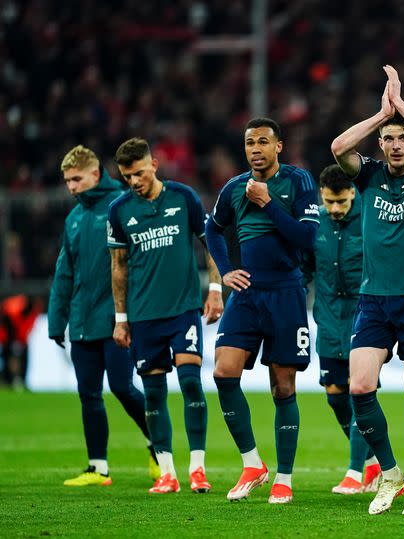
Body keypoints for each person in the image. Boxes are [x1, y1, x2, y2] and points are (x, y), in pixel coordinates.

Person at [330, 65, 404, 516]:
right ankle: (391, 473)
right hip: (374, 300)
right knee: (359, 386)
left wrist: (402, 107)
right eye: (389, 139)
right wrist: (381, 116)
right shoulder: (369, 177)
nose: (396, 145)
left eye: (403, 138)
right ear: (381, 144)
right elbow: (339, 146)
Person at [205, 118, 319, 504]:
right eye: (250, 142)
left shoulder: (298, 181)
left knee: (282, 386)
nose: (255, 149)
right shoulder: (234, 188)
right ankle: (253, 463)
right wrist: (224, 272)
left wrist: (267, 204)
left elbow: (307, 237)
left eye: (263, 142)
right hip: (248, 292)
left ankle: (284, 477)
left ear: (279, 147)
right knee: (223, 372)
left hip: (286, 291)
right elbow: (212, 229)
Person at [108, 137, 224, 494]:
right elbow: (118, 266)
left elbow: (212, 243)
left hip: (183, 309)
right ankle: (167, 473)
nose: (134, 182)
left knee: (191, 382)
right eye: (127, 176)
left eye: (139, 173)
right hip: (143, 317)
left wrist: (216, 291)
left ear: (154, 165)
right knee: (154, 393)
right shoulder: (119, 210)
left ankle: (198, 469)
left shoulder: (183, 197)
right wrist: (121, 318)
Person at [48, 145, 159, 486]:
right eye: (67, 181)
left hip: (116, 318)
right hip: (82, 319)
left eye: (76, 179)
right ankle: (98, 467)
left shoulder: (123, 207)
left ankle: (158, 446)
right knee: (89, 393)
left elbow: (136, 263)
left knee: (123, 387)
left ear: (95, 174)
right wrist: (57, 319)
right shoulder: (75, 217)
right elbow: (64, 272)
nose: (71, 187)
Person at [301, 165, 381, 495]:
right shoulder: (315, 222)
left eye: (341, 202)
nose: (334, 209)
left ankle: (354, 472)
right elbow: (305, 268)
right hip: (329, 321)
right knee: (335, 396)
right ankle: (376, 461)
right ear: (322, 195)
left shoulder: (370, 217)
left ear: (353, 193)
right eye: (329, 202)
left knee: (359, 392)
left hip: (364, 319)